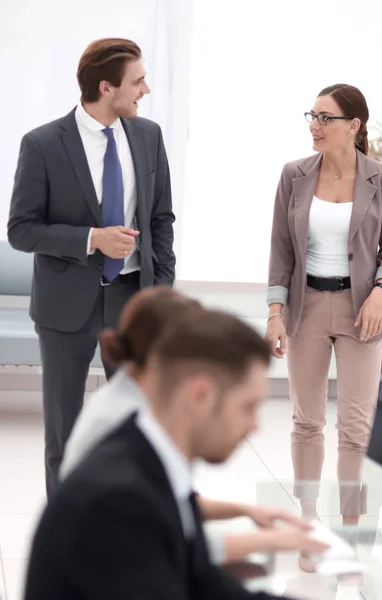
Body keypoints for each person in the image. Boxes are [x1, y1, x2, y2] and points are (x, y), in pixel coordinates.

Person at [24, 305, 329, 600]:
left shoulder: (150, 459)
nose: (256, 427)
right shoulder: (120, 502)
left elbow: (210, 586)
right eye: (248, 407)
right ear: (200, 396)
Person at [7, 38, 175, 498]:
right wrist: (90, 240)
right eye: (137, 81)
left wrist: (160, 296)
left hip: (132, 304)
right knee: (64, 434)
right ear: (106, 87)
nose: (146, 89)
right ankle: (67, 541)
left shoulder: (148, 136)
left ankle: (122, 527)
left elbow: (161, 220)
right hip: (66, 309)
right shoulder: (43, 144)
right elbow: (21, 230)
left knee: (134, 429)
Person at [266, 84, 382, 570]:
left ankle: (348, 535)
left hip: (361, 314)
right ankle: (308, 527)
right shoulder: (294, 175)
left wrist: (378, 292)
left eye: (325, 117)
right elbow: (281, 250)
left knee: (356, 430)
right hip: (305, 310)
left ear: (354, 125)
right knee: (306, 421)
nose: (314, 125)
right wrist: (274, 312)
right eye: (312, 115)